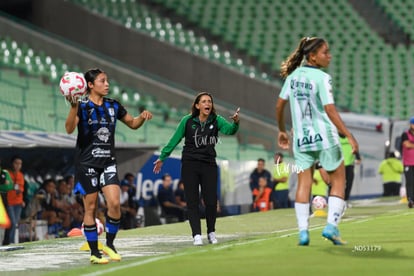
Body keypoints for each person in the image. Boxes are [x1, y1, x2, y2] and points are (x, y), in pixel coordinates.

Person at [276, 37, 358, 246]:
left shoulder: (292, 77)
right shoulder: (322, 77)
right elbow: (330, 110)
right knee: (339, 180)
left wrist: (282, 131)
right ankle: (331, 226)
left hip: (301, 139)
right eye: (325, 52)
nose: (329, 56)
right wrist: (348, 135)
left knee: (304, 183)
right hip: (325, 137)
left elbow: (279, 105)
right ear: (312, 56)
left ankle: (303, 232)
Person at [65, 68, 153, 264]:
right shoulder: (82, 105)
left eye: (107, 81)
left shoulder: (113, 105)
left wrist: (142, 117)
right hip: (86, 163)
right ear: (90, 85)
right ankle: (95, 252)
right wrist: (72, 107)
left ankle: (110, 244)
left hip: (108, 162)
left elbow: (132, 123)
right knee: (91, 208)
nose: (107, 84)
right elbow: (69, 129)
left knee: (114, 204)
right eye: (103, 81)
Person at [153, 92, 240, 245]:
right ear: (197, 105)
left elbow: (230, 130)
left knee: (211, 201)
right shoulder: (187, 121)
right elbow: (175, 139)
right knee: (192, 201)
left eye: (210, 101)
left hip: (209, 164)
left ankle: (211, 232)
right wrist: (162, 157)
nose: (208, 104)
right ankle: (196, 235)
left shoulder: (217, 120)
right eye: (204, 101)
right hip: (190, 164)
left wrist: (236, 123)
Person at [339, 133, 361, 207]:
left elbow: (355, 145)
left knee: (349, 183)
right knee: (339, 184)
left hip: (350, 163)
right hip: (340, 164)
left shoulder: (349, 136)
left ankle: (345, 200)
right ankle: (338, 200)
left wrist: (358, 157)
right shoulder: (335, 136)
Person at [6, 156, 25, 244]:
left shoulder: (21, 175)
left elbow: (21, 189)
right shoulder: (7, 174)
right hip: (10, 202)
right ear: (12, 164)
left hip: (18, 202)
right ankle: (11, 241)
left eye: (20, 164)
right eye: (16, 163)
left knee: (15, 223)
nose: (18, 165)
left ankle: (9, 241)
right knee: (12, 223)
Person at [400, 117, 414, 207]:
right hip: (408, 162)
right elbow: (407, 144)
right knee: (410, 181)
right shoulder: (405, 134)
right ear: (411, 125)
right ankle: (411, 200)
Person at [0, 158, 13, 244]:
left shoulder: (4, 172)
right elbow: (5, 185)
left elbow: (10, 186)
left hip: (4, 198)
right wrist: (3, 184)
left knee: (9, 221)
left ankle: (6, 242)